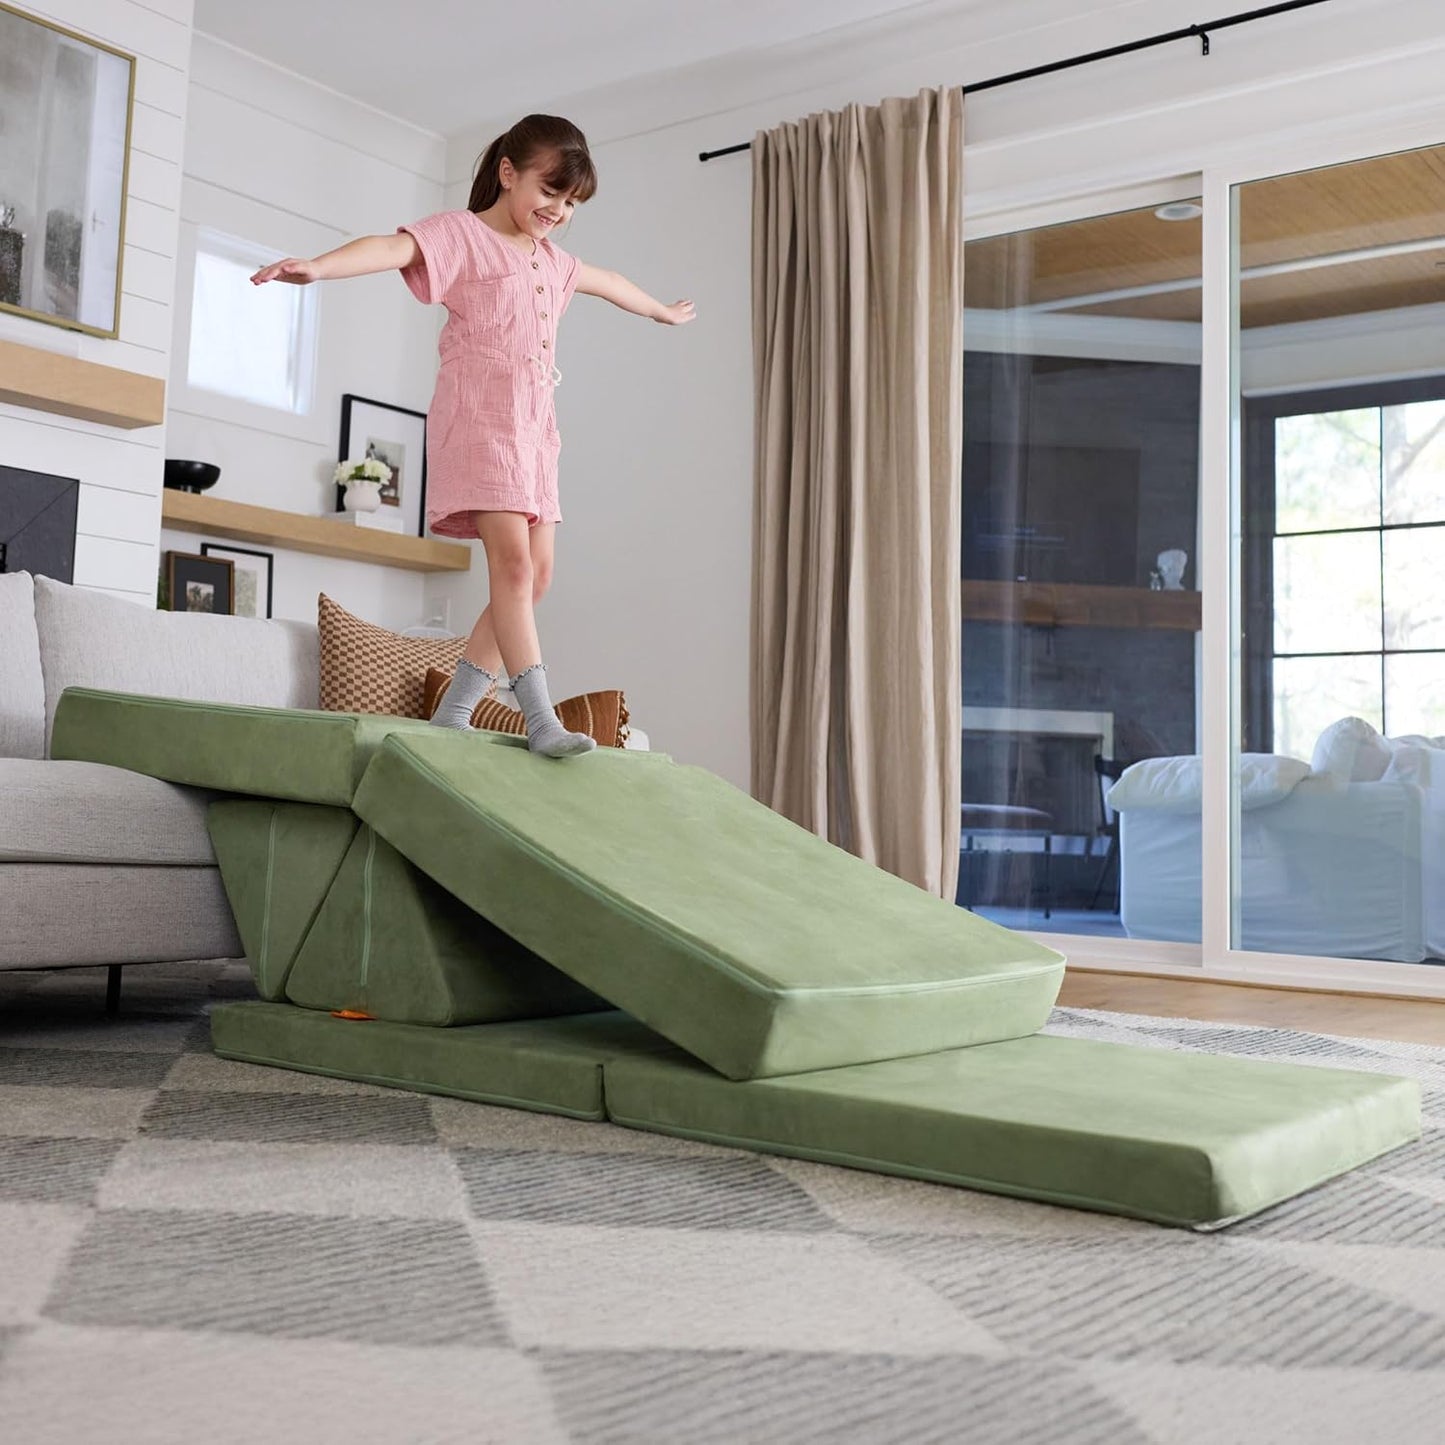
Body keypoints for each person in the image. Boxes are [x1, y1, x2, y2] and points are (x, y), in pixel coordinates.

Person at [251, 114, 695, 757]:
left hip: (535, 434)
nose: (558, 210)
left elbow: (607, 282)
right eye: (549, 191)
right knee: (511, 567)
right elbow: (390, 247)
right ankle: (538, 718)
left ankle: (456, 709)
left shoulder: (552, 262)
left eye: (570, 203)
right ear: (508, 173)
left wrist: (659, 310)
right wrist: (318, 268)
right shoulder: (462, 235)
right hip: (480, 423)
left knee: (536, 577)